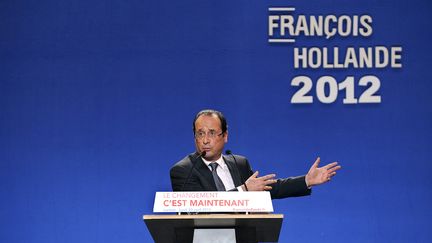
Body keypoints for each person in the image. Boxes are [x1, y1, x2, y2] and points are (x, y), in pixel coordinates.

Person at [170, 109, 341, 199]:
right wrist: (243, 190)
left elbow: (266, 189)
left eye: (212, 133)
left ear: (225, 136)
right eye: (200, 133)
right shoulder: (184, 170)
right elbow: (203, 206)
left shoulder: (239, 163)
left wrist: (306, 180)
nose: (205, 140)